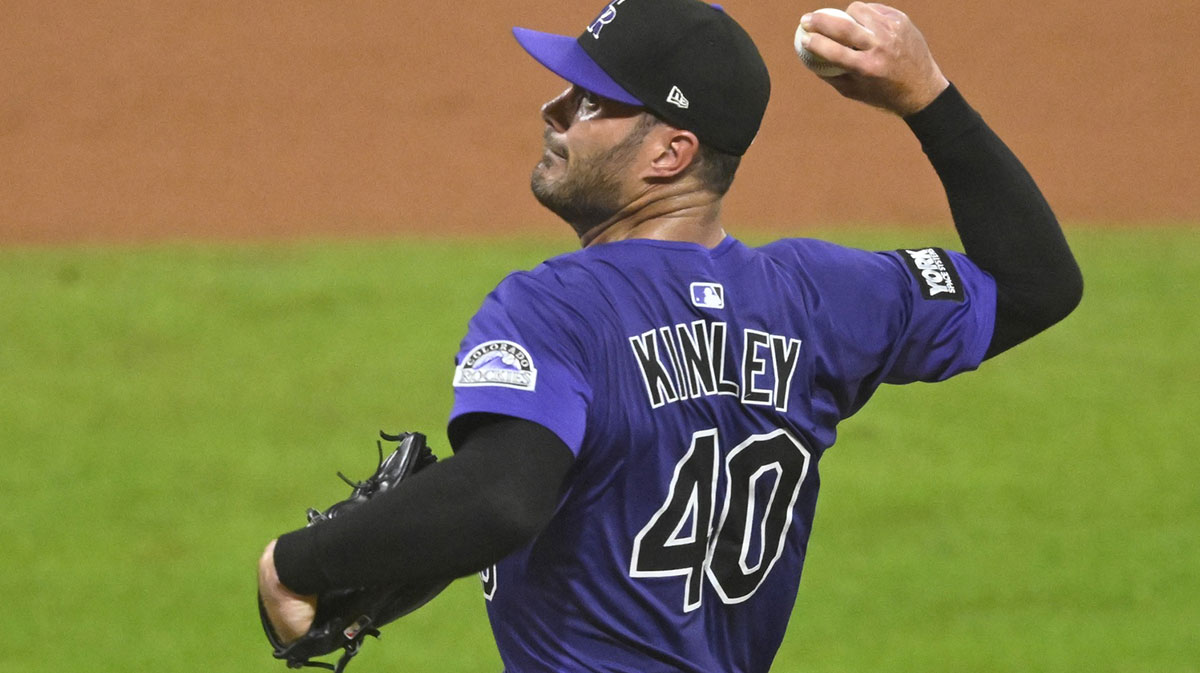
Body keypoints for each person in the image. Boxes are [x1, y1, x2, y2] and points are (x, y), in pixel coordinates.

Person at [258, 0, 1083, 671]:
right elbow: (1037, 283)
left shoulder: (554, 305)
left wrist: (298, 562)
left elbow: (499, 497)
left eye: (590, 101)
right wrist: (927, 95)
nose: (554, 111)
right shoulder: (821, 296)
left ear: (670, 152)